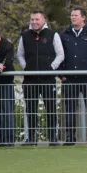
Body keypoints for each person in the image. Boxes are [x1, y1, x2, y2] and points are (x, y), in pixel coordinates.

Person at [17, 10, 64, 145]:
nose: (34, 22)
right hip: (30, 79)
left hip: (48, 79)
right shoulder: (24, 36)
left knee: (51, 109)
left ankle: (53, 139)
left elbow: (60, 54)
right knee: (30, 109)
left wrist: (51, 68)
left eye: (37, 19)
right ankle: (31, 139)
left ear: (43, 20)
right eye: (32, 19)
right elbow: (19, 54)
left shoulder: (52, 34)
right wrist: (26, 67)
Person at [60, 6, 87, 145]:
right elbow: (58, 55)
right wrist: (62, 75)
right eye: (72, 15)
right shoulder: (64, 35)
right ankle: (70, 139)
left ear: (83, 17)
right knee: (69, 110)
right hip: (69, 79)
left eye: (76, 15)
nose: (73, 17)